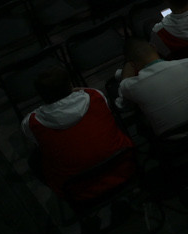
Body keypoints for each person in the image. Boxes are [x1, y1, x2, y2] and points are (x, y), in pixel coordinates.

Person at [21, 68, 134, 203]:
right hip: (124, 169)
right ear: (70, 85)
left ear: (41, 95)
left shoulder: (31, 123)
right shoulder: (95, 96)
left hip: (80, 193)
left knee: (35, 159)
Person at [115, 40, 188, 135]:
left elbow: (121, 105)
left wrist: (126, 74)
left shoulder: (132, 86)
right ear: (154, 47)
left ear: (132, 65)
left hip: (173, 139)